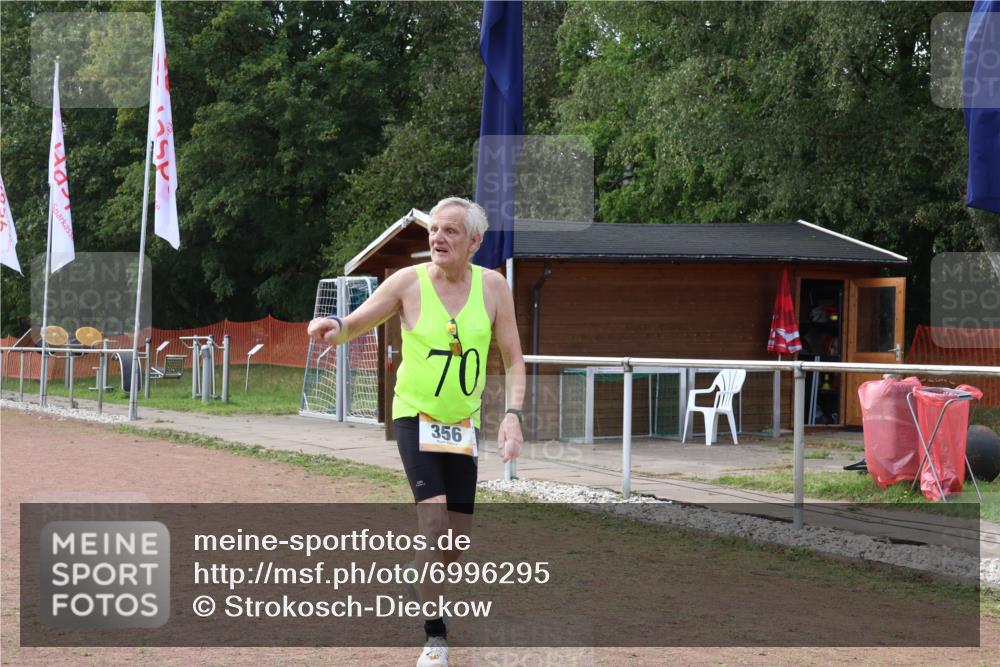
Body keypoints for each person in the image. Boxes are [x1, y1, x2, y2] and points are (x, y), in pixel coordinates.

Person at [307, 196, 525, 667]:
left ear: (475, 241)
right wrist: (333, 325)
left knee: (456, 544)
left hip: (461, 426)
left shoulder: (494, 287)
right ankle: (435, 638)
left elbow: (514, 359)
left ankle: (418, 575)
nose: (438, 238)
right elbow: (356, 322)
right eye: (434, 230)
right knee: (434, 525)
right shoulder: (406, 281)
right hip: (414, 417)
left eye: (450, 231)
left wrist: (512, 415)